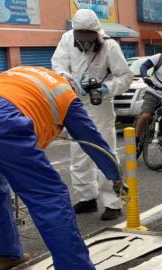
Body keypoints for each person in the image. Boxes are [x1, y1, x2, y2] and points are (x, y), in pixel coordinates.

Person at [0, 66, 126, 270]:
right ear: (74, 87)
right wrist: (115, 175)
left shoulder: (27, 73)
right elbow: (91, 139)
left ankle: (7, 256)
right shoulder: (66, 95)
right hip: (2, 122)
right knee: (49, 196)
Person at [52, 9, 133, 221]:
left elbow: (125, 76)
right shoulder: (67, 39)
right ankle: (86, 198)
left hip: (100, 107)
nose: (85, 41)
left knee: (105, 152)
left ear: (97, 32)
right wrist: (70, 80)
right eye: (81, 35)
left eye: (89, 36)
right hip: (75, 103)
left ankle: (114, 203)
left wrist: (106, 88)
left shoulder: (110, 46)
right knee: (78, 154)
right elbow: (58, 66)